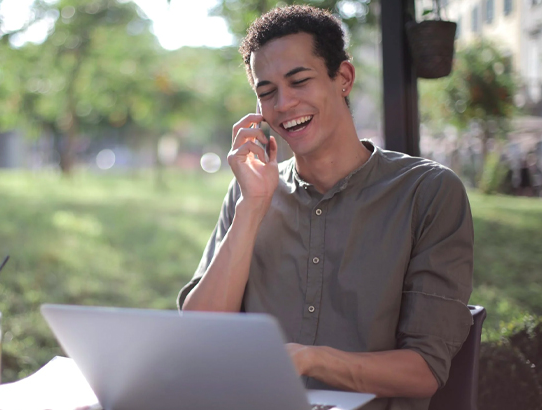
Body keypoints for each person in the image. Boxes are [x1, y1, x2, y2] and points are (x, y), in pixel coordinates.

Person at [177, 6, 474, 410]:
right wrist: (252, 208)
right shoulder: (250, 192)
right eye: (266, 92)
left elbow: (424, 372)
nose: (283, 104)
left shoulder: (428, 193)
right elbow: (198, 337)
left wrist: (308, 358)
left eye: (299, 81)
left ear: (344, 79)